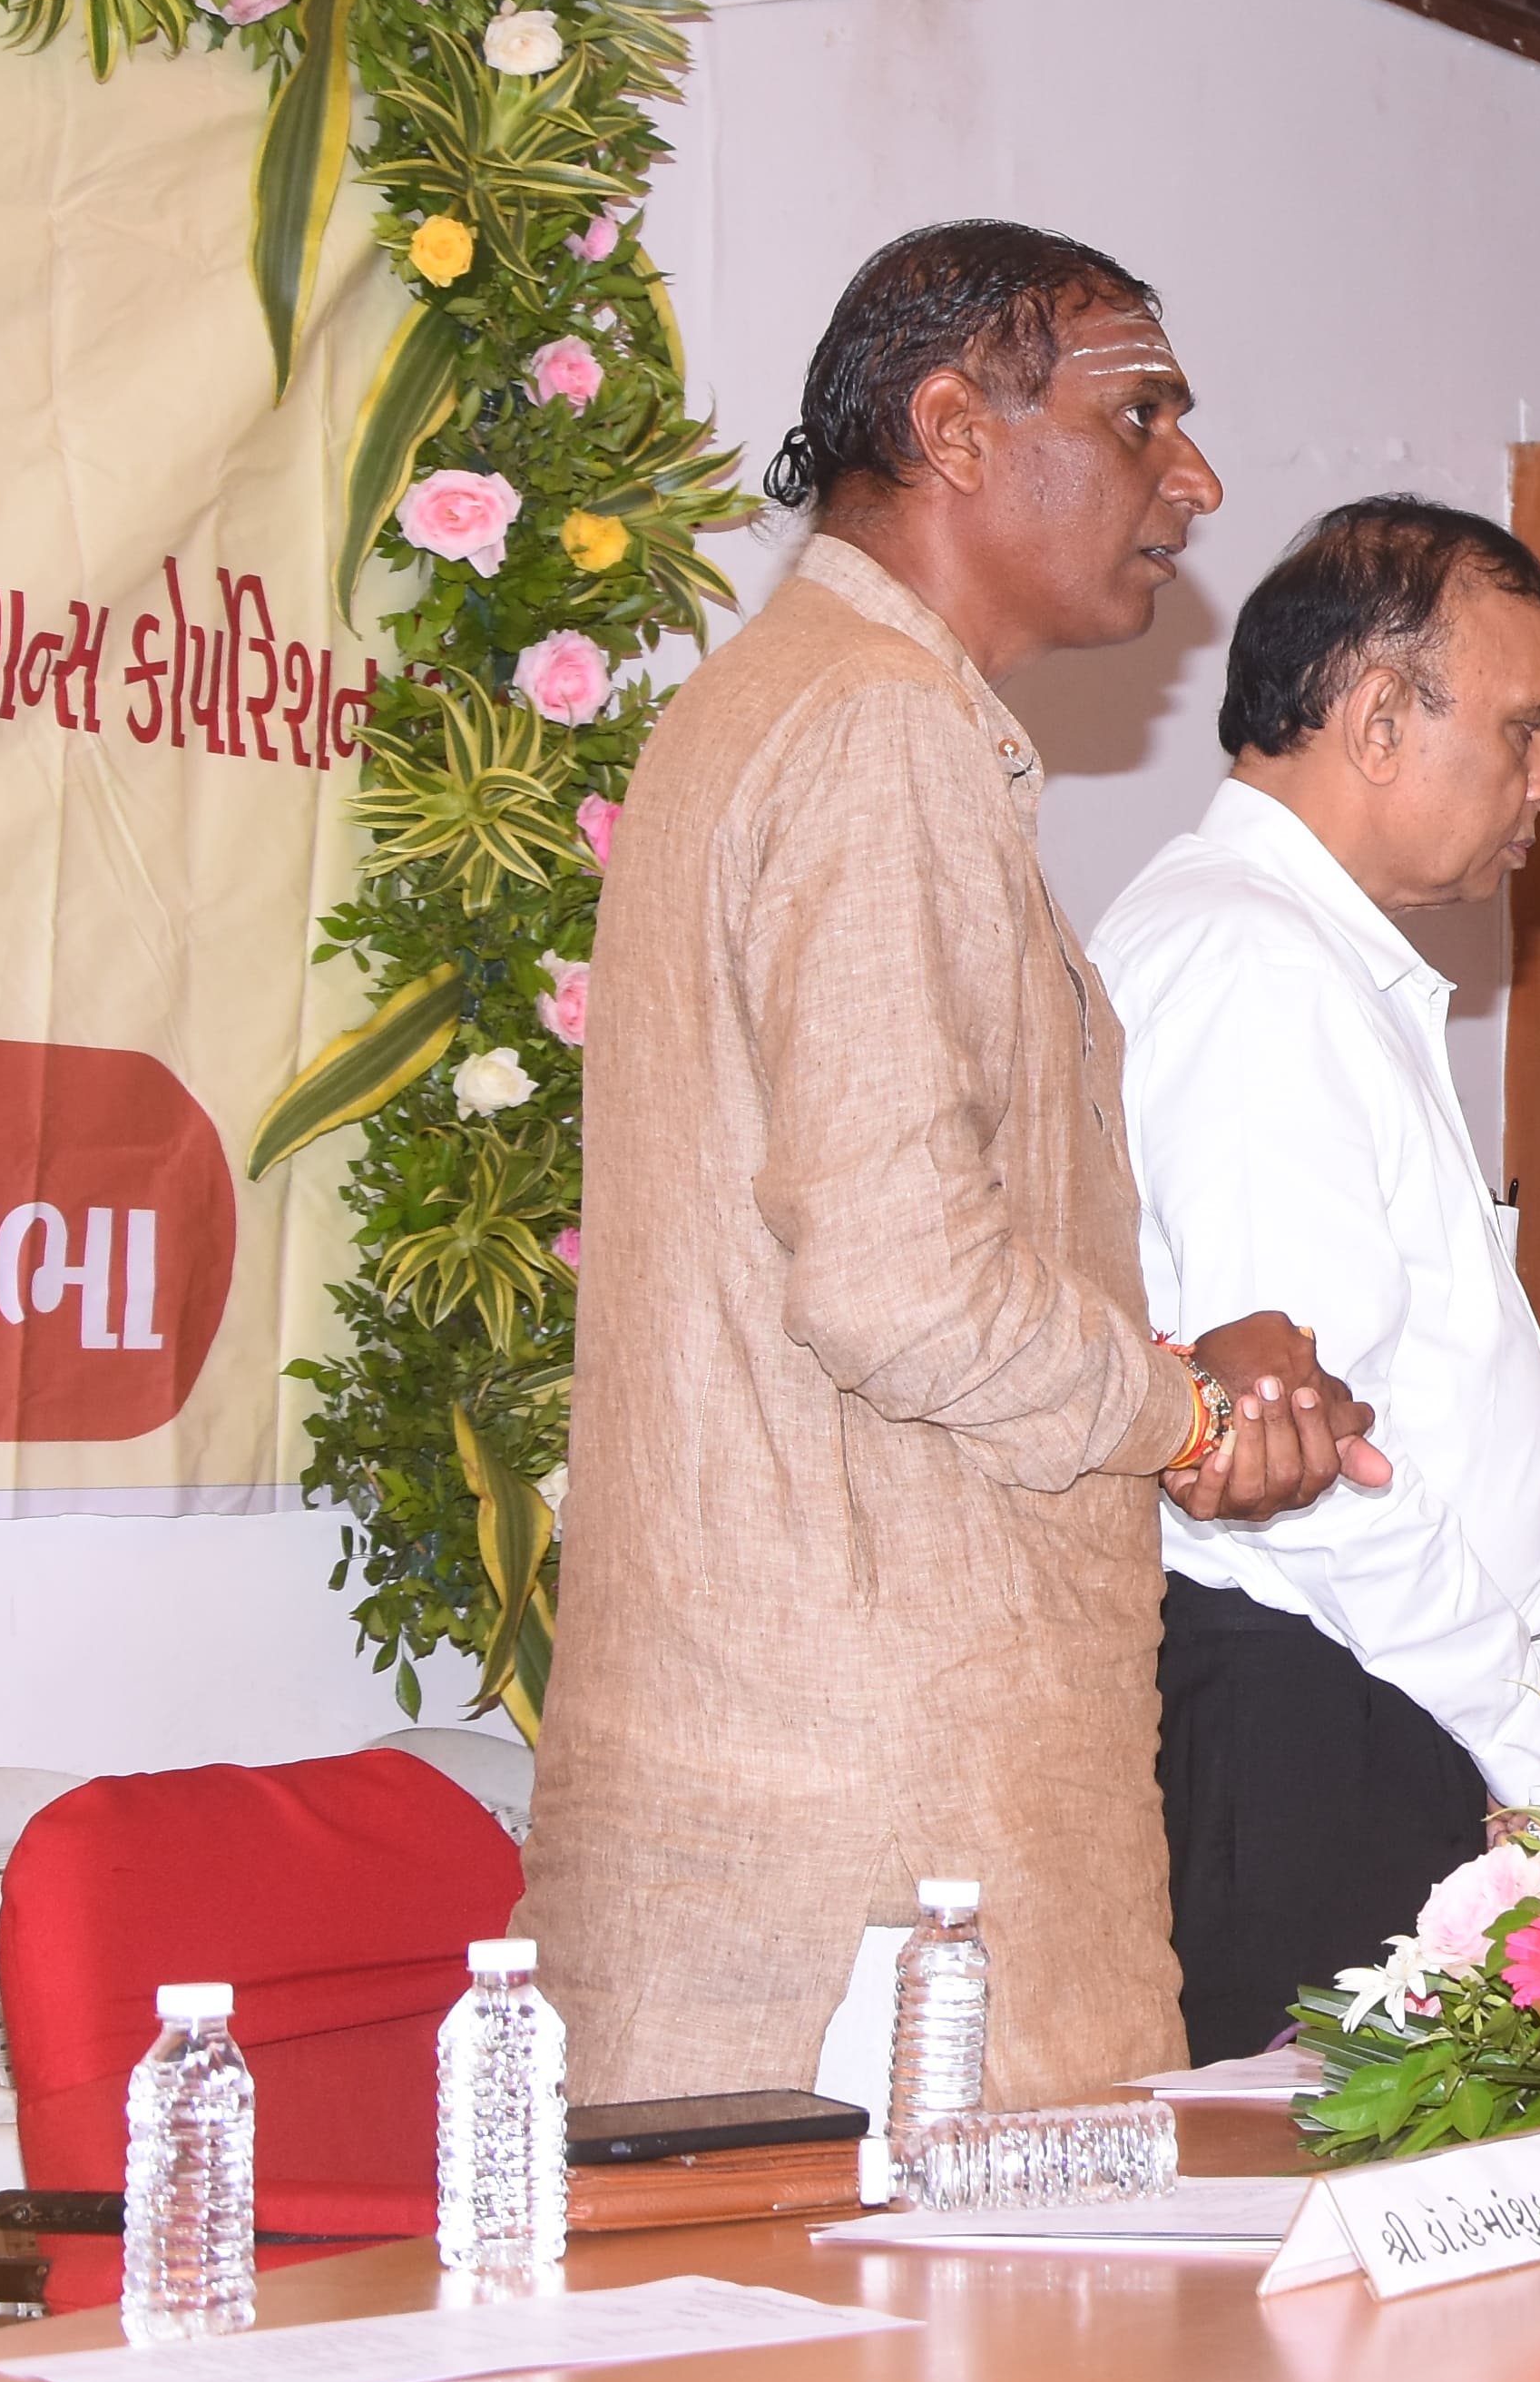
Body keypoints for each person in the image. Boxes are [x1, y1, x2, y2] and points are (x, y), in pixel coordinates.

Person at [529, 225, 1383, 2118]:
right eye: (1140, 416)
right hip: (881, 1851)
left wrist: (1174, 1377)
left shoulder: (790, 699)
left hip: (829, 1803)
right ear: (955, 431)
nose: (1195, 478)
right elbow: (901, 1282)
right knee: (965, 2327)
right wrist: (1185, 1414)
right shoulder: (875, 726)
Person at [1089, 498, 1540, 2063]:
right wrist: (1522, 1724)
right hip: (1311, 1714)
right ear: (1381, 718)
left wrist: (1535, 1677)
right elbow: (1311, 1457)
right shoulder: (1254, 963)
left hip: (1379, 1689)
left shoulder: (1305, 954)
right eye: (1524, 727)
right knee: (1322, 2199)